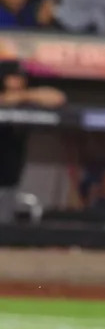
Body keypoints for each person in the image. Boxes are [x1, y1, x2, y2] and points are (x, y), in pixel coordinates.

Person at [0, 61, 66, 224]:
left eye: (21, 77)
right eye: (13, 77)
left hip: (7, 181)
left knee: (4, 223)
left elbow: (57, 97)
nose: (19, 81)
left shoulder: (24, 99)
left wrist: (22, 96)